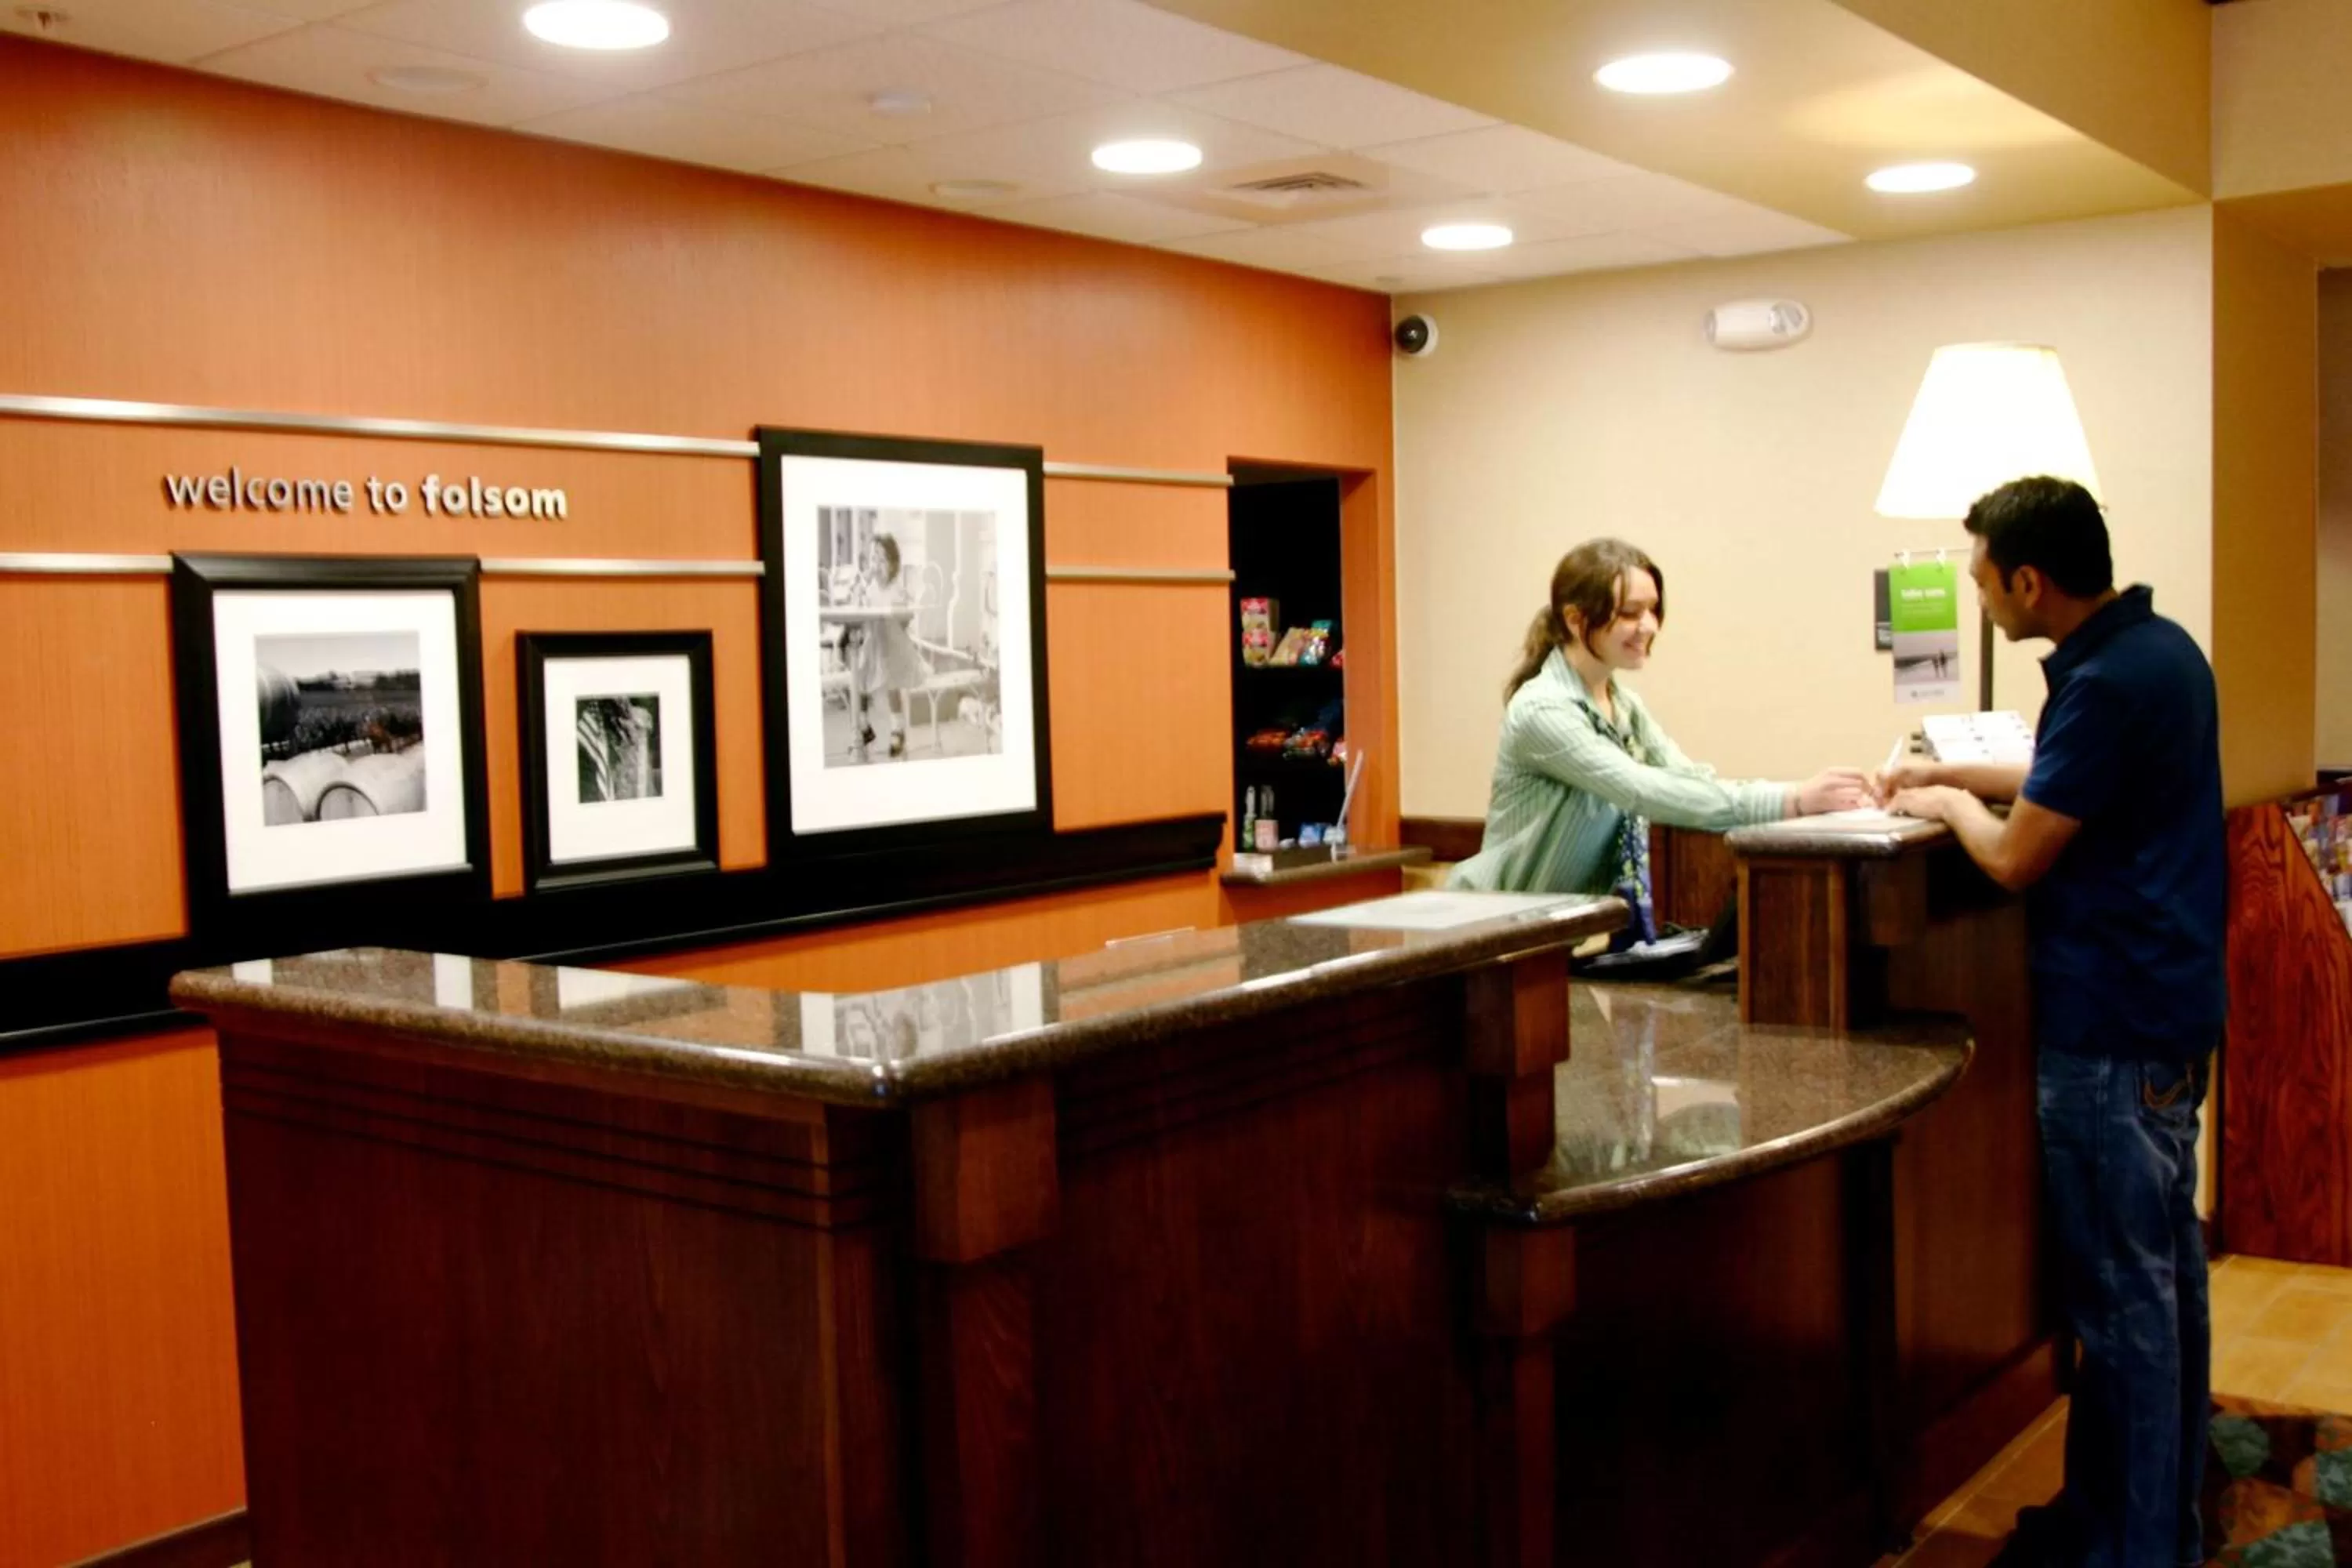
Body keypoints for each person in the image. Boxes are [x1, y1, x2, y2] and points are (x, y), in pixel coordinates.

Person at [1878, 476, 2223, 1568]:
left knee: (2122, 1311)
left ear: (2029, 580)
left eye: (1984, 580)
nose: (1981, 601)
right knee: (2167, 1291)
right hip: (2167, 1015)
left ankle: (2137, 1548)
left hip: (2110, 1029)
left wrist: (1944, 804)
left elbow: (2019, 852)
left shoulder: (2108, 682)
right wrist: (1949, 767)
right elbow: (2061, 776)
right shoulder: (2158, 651)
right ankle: (2139, 1520)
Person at [1450, 539, 1872, 939]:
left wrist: (1805, 802)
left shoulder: (1623, 705)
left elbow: (1686, 779)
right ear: (1575, 619)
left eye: (1653, 610)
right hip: (1490, 930)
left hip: (1548, 933)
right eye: (1630, 613)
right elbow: (1641, 790)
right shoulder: (1543, 710)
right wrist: (1792, 800)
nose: (1649, 626)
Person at [851, 532, 931, 761]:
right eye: (873, 559)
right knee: (859, 677)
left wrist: (899, 611)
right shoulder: (869, 587)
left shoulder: (897, 589)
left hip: (893, 646)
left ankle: (898, 729)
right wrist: (860, 590)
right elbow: (861, 611)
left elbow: (906, 618)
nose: (876, 565)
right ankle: (863, 725)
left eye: (882, 560)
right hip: (872, 645)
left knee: (891, 684)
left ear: (893, 564)